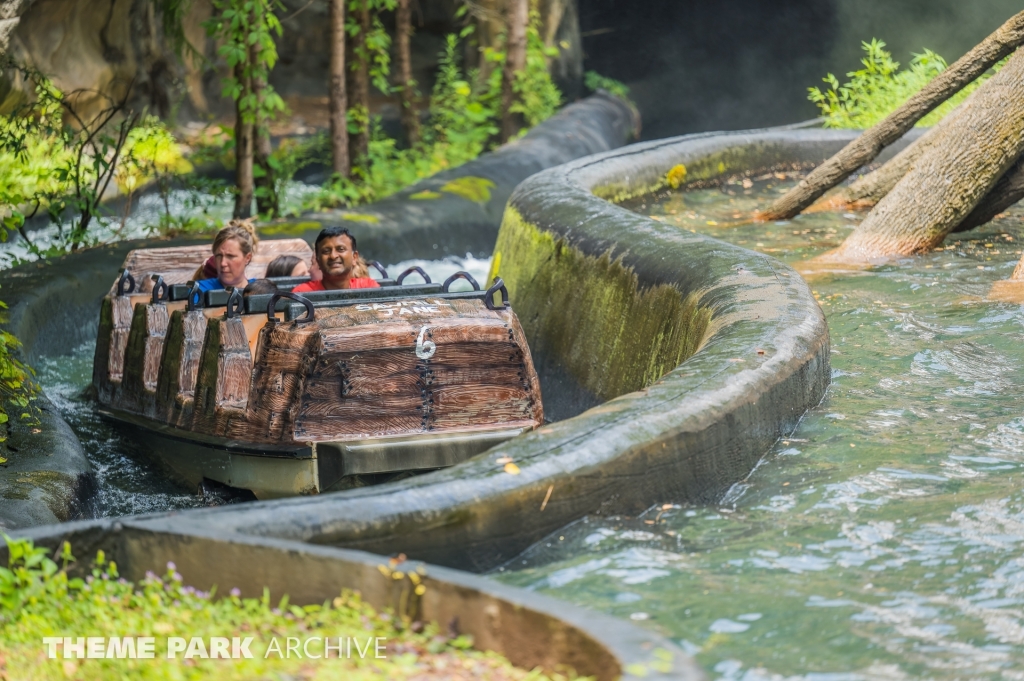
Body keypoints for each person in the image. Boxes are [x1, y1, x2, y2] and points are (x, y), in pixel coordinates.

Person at [293, 227, 380, 292]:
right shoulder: (303, 293)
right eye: (326, 251)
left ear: (354, 257)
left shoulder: (368, 287)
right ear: (318, 261)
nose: (333, 256)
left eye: (340, 249)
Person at [193, 221, 259, 293]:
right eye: (219, 256)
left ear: (247, 258)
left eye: (230, 256)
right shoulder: (198, 291)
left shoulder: (261, 289)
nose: (223, 263)